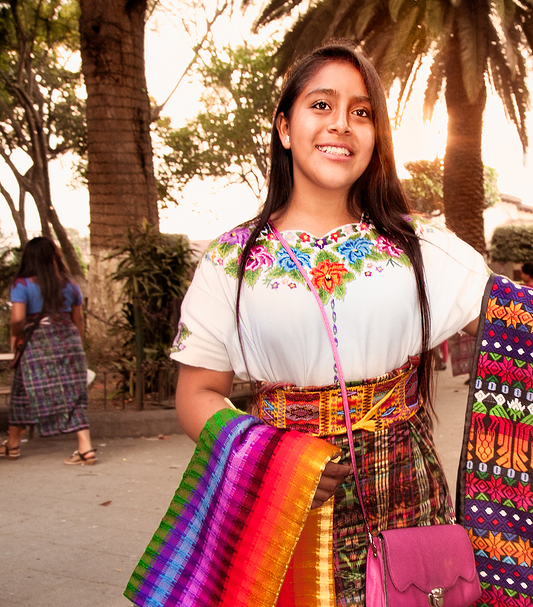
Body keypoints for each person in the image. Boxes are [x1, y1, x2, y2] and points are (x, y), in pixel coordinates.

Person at [170, 42, 490, 605]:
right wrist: (269, 459)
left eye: (362, 112)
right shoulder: (230, 261)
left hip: (406, 493)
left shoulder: (421, 249)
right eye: (321, 105)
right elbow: (197, 391)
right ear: (285, 128)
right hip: (279, 496)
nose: (341, 124)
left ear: (376, 137)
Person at [4, 237, 95, 465]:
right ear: (55, 256)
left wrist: (15, 339)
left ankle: (13, 445)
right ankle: (85, 447)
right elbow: (78, 319)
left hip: (37, 342)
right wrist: (77, 345)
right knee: (72, 392)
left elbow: (17, 319)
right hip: (68, 340)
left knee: (26, 390)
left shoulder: (22, 285)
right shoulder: (69, 283)